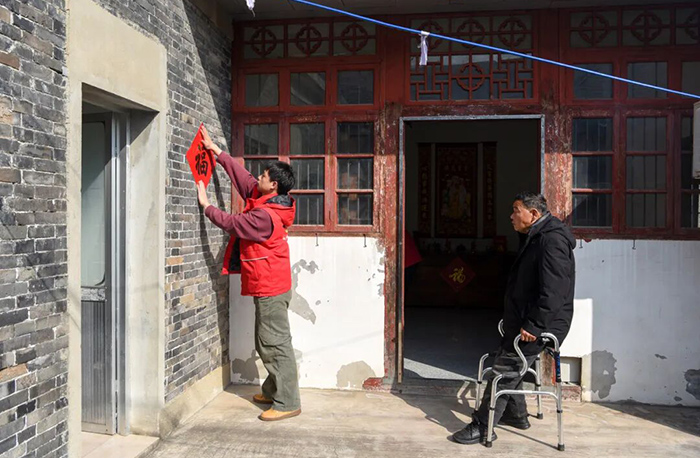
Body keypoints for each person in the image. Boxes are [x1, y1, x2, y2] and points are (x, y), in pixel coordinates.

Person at [196, 126, 301, 422]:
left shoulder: (264, 216)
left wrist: (206, 206)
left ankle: (288, 402)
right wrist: (217, 152)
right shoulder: (267, 199)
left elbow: (232, 224)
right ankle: (272, 389)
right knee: (266, 341)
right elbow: (244, 180)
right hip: (268, 283)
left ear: (274, 186)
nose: (259, 177)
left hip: (271, 286)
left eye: (264, 176)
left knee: (274, 344)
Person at [452, 192, 575, 445]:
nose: (511, 216)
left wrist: (535, 324)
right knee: (509, 360)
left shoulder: (551, 241)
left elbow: (555, 290)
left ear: (534, 214)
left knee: (504, 370)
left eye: (516, 210)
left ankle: (483, 426)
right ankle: (516, 415)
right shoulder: (535, 236)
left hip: (540, 324)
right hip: (524, 319)